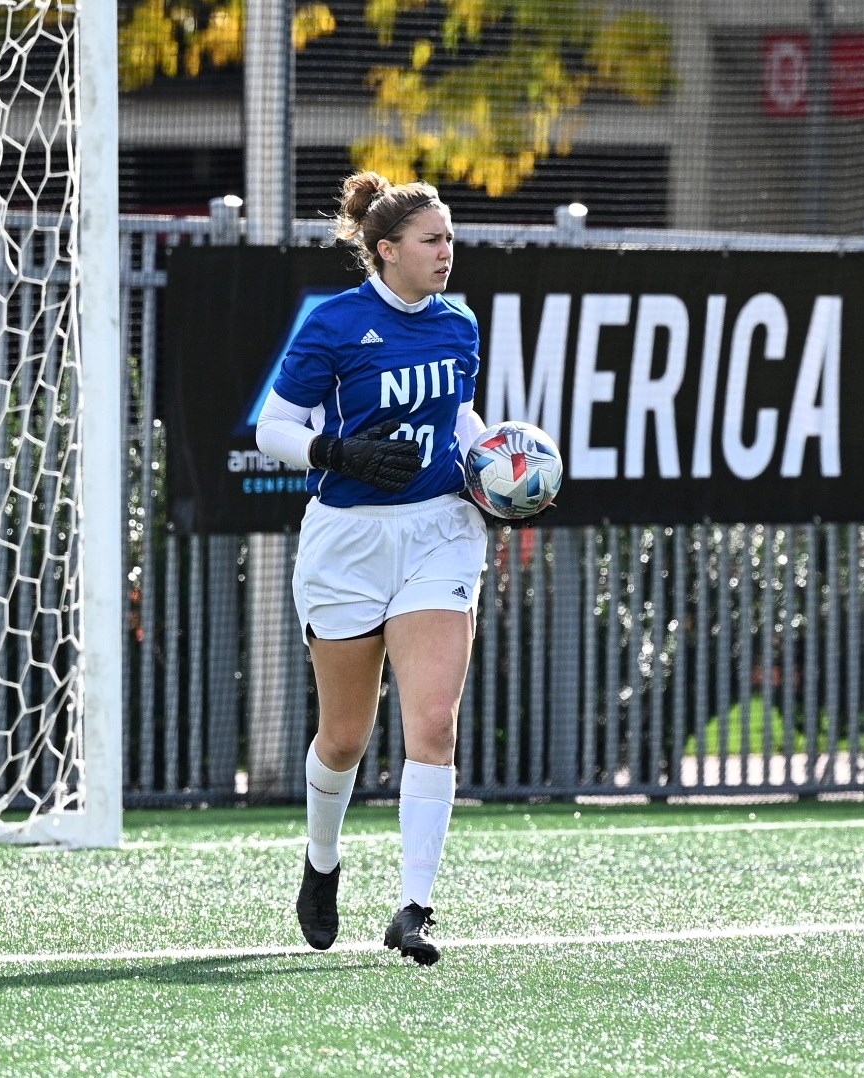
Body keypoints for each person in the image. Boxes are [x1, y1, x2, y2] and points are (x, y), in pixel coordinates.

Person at [254, 171, 536, 966]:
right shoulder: (335, 323)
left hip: (440, 531)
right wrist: (336, 452)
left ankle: (414, 907)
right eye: (431, 240)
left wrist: (503, 469)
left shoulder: (458, 322)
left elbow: (459, 417)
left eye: (450, 239)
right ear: (386, 250)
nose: (447, 252)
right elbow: (274, 427)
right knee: (344, 739)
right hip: (348, 542)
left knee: (434, 723)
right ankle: (321, 863)